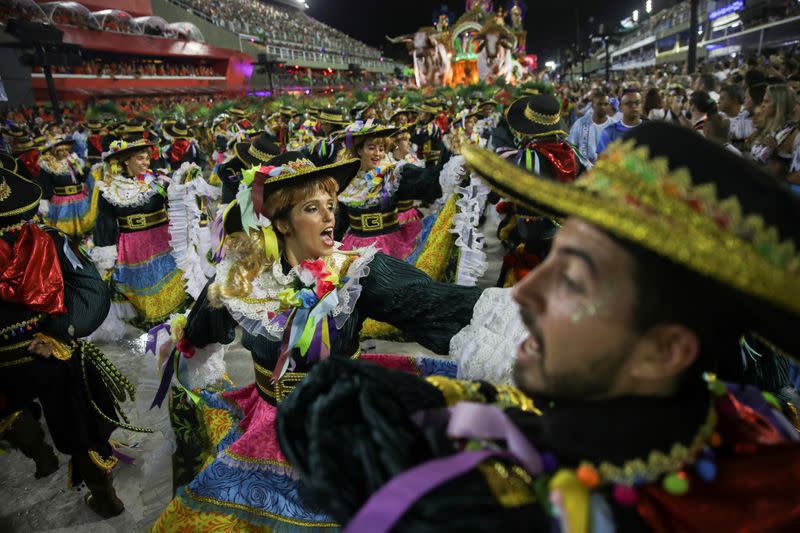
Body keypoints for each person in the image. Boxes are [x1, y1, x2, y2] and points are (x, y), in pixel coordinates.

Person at [277, 122, 800, 532]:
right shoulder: (736, 432)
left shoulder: (762, 491)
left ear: (665, 351)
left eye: (572, 280)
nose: (524, 293)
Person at [151, 152, 482, 531]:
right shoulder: (240, 283)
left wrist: (520, 311)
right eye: (313, 208)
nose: (329, 217)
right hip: (269, 424)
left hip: (346, 425)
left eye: (330, 205)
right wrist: (180, 352)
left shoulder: (358, 271)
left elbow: (431, 302)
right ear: (282, 222)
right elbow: (196, 336)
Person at [0, 167, 147, 518]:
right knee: (81, 425)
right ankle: (105, 498)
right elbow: (92, 293)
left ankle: (44, 459)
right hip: (51, 349)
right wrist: (60, 332)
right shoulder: (47, 239)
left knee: (7, 409)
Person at [90, 139, 188, 332]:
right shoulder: (109, 190)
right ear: (126, 161)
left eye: (147, 158)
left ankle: (177, 327)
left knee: (172, 285)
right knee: (143, 291)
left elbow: (179, 207)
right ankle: (156, 332)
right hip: (132, 248)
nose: (146, 162)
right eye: (140, 158)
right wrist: (106, 254)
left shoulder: (160, 181)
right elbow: (105, 224)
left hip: (163, 243)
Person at [336, 123, 442, 259]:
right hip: (356, 249)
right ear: (359, 150)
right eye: (371, 148)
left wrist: (447, 168)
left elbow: (423, 181)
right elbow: (341, 222)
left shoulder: (392, 175)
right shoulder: (348, 180)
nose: (378, 153)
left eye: (381, 149)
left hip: (391, 246)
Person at [37, 136, 98, 239]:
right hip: (61, 202)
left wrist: (83, 168)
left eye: (66, 150)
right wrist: (44, 201)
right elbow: (45, 185)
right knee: (64, 232)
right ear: (55, 152)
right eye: (61, 150)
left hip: (79, 200)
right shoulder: (48, 166)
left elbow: (82, 177)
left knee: (81, 231)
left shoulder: (74, 162)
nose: (65, 153)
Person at [568, 89, 613, 164]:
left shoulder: (613, 126)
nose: (603, 107)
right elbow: (570, 146)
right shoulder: (580, 123)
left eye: (606, 104)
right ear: (592, 105)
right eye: (599, 104)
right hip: (584, 170)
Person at [597, 89, 643, 154]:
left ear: (641, 105)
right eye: (629, 103)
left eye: (637, 103)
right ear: (621, 107)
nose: (634, 106)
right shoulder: (609, 131)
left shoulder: (650, 129)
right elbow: (601, 159)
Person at [718, 84, 753, 149]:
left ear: (735, 101)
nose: (718, 102)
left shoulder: (746, 120)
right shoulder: (717, 116)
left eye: (722, 99)